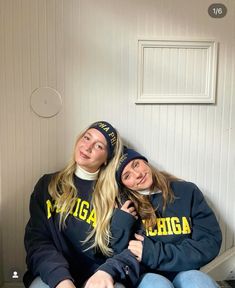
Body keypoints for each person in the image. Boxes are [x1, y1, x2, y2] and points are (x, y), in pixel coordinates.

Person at [23, 121, 139, 288]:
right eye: (87, 138)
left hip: (99, 278)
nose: (88, 147)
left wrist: (106, 272)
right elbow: (37, 242)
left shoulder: (118, 197)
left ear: (107, 159)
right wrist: (61, 280)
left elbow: (130, 251)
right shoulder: (48, 185)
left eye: (99, 146)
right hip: (52, 275)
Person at [111, 146, 222, 288]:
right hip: (146, 277)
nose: (137, 174)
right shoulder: (126, 209)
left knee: (199, 281)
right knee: (158, 285)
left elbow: (209, 244)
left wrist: (155, 254)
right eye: (127, 176)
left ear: (145, 162)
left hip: (186, 271)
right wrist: (120, 224)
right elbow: (119, 257)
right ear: (124, 185)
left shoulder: (187, 191)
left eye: (136, 164)